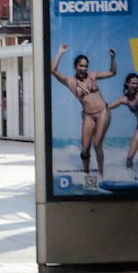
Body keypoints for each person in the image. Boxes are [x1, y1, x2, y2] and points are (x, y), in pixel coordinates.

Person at [50, 43, 117, 175]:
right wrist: (60, 52)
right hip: (88, 115)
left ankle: (101, 175)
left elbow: (113, 72)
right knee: (84, 150)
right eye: (81, 65)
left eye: (86, 66)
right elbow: (53, 70)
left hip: (103, 111)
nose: (84, 68)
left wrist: (113, 58)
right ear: (75, 66)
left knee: (97, 144)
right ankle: (87, 176)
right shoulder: (71, 82)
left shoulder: (93, 75)